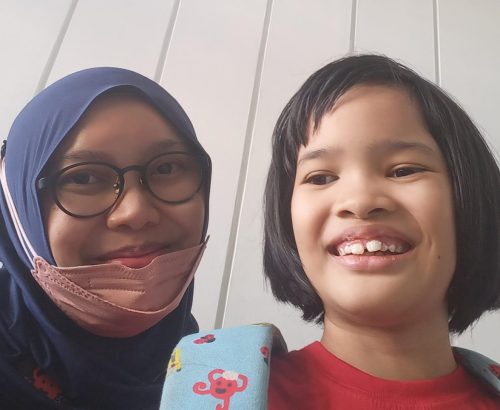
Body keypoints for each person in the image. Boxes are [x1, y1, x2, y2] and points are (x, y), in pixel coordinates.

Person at [264, 54, 500, 409]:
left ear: (471, 198)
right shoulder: (215, 393)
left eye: (404, 170)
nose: (359, 202)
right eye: (321, 178)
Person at [0, 67, 211, 409]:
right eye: (83, 178)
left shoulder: (205, 364)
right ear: (21, 208)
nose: (135, 212)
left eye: (167, 168)